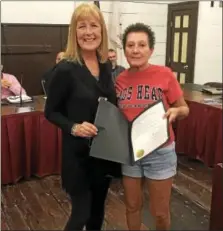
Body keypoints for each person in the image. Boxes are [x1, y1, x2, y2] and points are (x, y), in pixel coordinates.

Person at [44, 3, 121, 231]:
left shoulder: (106, 65)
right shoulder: (65, 69)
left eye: (94, 25)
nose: (88, 32)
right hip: (77, 157)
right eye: (82, 26)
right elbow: (51, 112)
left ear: (102, 31)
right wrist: (74, 127)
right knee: (81, 214)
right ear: (74, 32)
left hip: (103, 155)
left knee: (97, 214)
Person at [115, 23, 189, 230]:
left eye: (141, 45)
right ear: (125, 50)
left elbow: (185, 109)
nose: (135, 50)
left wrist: (176, 111)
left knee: (160, 212)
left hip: (160, 152)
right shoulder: (119, 79)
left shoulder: (165, 74)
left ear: (151, 50)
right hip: (131, 152)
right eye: (130, 45)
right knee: (131, 206)